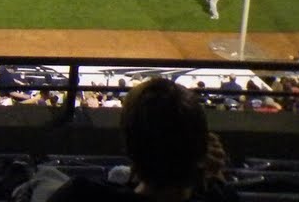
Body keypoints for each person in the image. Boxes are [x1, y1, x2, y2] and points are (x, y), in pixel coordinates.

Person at [38, 77, 231, 202]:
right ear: (202, 149)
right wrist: (215, 176)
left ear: (129, 145)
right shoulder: (223, 197)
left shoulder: (80, 194)